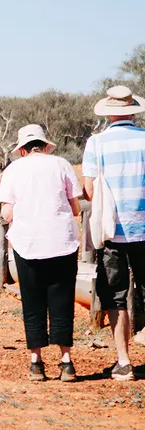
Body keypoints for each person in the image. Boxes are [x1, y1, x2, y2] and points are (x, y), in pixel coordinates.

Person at [0, 124, 82, 382]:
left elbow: (6, 212)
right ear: (45, 145)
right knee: (62, 299)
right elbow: (75, 207)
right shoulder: (62, 165)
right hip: (61, 242)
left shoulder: (13, 170)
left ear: (22, 149)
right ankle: (66, 361)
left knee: (32, 302)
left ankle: (36, 362)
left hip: (28, 243)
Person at [82, 85, 145, 381]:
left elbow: (91, 190)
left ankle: (124, 361)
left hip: (112, 230)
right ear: (133, 110)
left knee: (115, 295)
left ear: (108, 113)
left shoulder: (96, 143)